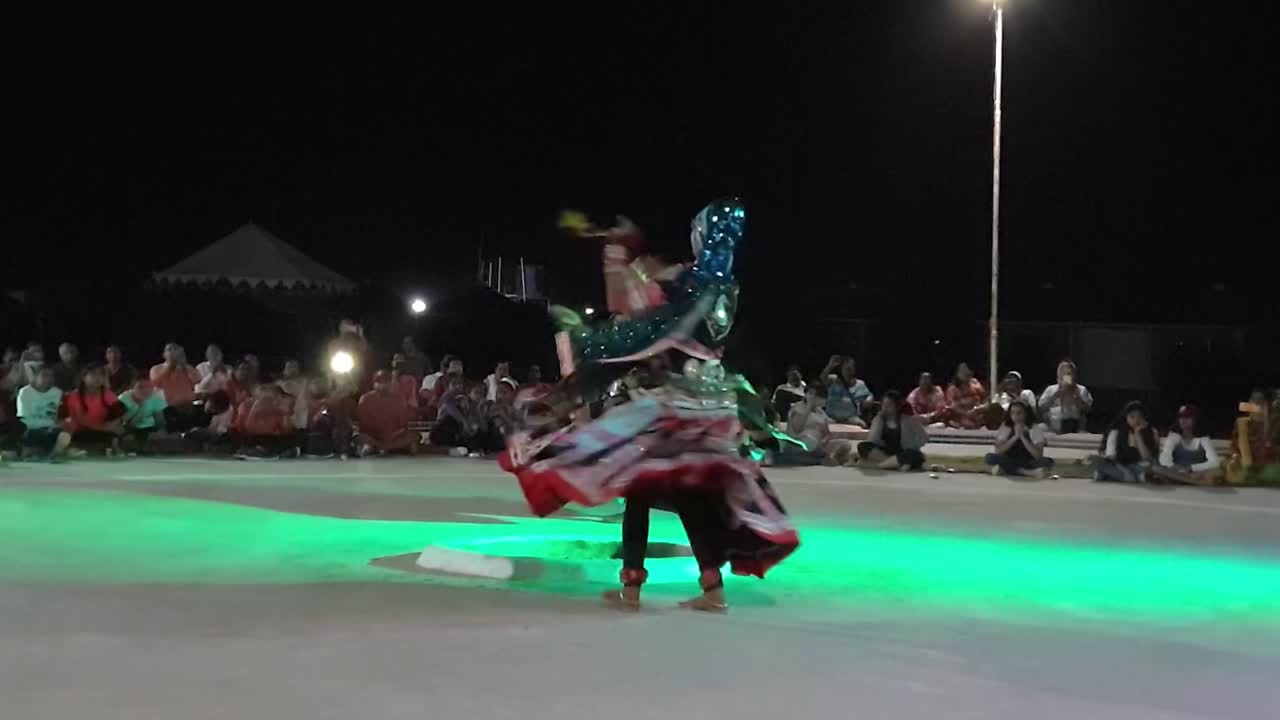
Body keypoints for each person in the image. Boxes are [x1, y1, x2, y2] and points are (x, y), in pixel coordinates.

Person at [856, 390, 928, 471]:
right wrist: (878, 420)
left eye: (889, 405)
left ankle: (879, 465)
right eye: (884, 405)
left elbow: (924, 438)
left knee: (914, 455)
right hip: (884, 453)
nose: (885, 408)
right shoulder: (879, 419)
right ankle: (894, 463)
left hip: (903, 452)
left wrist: (913, 443)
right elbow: (872, 440)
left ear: (897, 406)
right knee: (863, 446)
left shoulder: (907, 419)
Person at [1153, 405, 1221, 486]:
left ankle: (1183, 480)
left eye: (1187, 417)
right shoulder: (1174, 436)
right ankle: (1193, 481)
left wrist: (1190, 468)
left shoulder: (1203, 439)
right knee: (1156, 468)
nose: (1183, 420)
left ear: (1195, 419)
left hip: (1196, 473)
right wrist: (1176, 467)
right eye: (1181, 417)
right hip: (1178, 472)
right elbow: (1164, 459)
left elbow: (1215, 462)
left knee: (1215, 472)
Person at [985, 400, 1055, 479]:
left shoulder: (1033, 428)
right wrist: (1015, 436)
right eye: (1012, 413)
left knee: (1047, 461)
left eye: (1019, 413)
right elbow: (998, 451)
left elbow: (1038, 455)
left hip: (1028, 461)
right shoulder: (1006, 426)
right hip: (1009, 459)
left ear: (1026, 414)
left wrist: (1022, 436)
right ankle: (1028, 473)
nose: (1015, 416)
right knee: (990, 457)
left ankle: (1007, 470)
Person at [16, 366, 74, 460]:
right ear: (35, 376)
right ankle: (34, 452)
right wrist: (50, 425)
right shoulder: (24, 392)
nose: (49, 379)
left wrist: (62, 423)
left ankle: (51, 453)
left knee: (64, 435)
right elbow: (24, 418)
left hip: (50, 430)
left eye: (51, 376)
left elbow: (59, 416)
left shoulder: (57, 392)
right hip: (30, 429)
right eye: (45, 375)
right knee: (29, 433)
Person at [63, 365, 125, 453]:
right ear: (84, 377)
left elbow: (117, 418)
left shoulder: (110, 396)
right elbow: (76, 421)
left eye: (101, 374)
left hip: (103, 432)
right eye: (93, 374)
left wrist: (112, 426)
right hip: (79, 432)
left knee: (119, 432)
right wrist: (104, 428)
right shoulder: (72, 396)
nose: (98, 377)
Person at [1093, 401, 1158, 483]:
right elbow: (1111, 457)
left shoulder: (1150, 432)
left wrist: (1137, 434)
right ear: (1126, 418)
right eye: (1132, 417)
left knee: (1151, 466)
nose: (1136, 420)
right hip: (1120, 465)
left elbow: (1146, 458)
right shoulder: (1116, 432)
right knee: (1129, 477)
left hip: (1138, 466)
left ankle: (1109, 475)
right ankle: (1135, 477)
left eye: (1140, 416)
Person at [355, 370, 417, 456]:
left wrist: (392, 435)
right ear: (374, 383)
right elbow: (363, 424)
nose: (383, 385)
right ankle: (381, 447)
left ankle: (383, 448)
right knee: (360, 437)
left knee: (414, 436)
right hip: (373, 437)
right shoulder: (366, 399)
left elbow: (403, 424)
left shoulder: (399, 399)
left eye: (386, 381)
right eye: (380, 381)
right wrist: (377, 435)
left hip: (393, 437)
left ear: (391, 383)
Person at [231, 384, 301, 458]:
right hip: (256, 440)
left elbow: (287, 429)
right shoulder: (248, 405)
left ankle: (264, 450)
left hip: (267, 441)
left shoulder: (279, 410)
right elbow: (243, 427)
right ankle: (261, 450)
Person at [1226, 388, 1276, 485]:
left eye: (1261, 406)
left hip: (1265, 464)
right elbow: (1236, 445)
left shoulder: (1271, 422)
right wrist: (1236, 456)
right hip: (1247, 464)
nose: (1258, 410)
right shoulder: (1242, 423)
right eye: (1254, 405)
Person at [1038, 359, 1094, 434]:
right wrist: (1053, 398)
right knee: (1039, 428)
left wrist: (1077, 399)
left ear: (1074, 375)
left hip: (1075, 429)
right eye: (1062, 373)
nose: (1065, 377)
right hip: (1052, 429)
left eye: (1069, 373)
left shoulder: (1081, 390)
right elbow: (1040, 409)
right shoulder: (1050, 390)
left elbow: (1088, 411)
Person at [118, 376, 168, 452]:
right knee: (128, 438)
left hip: (149, 428)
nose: (145, 390)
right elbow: (127, 424)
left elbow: (160, 423)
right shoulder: (123, 399)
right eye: (140, 387)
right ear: (132, 387)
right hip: (129, 429)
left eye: (149, 387)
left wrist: (158, 432)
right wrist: (141, 406)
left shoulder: (157, 398)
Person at [823, 355, 872, 427]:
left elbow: (869, 395)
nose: (848, 371)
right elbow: (822, 378)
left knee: (862, 425)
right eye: (846, 368)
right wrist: (830, 365)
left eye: (850, 368)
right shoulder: (832, 379)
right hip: (830, 418)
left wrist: (868, 400)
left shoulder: (860, 384)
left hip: (850, 419)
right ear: (841, 369)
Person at [944, 362, 987, 430]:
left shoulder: (975, 384)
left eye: (968, 373)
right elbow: (952, 406)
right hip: (960, 421)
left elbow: (985, 400)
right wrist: (967, 413)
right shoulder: (952, 389)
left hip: (978, 418)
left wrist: (978, 409)